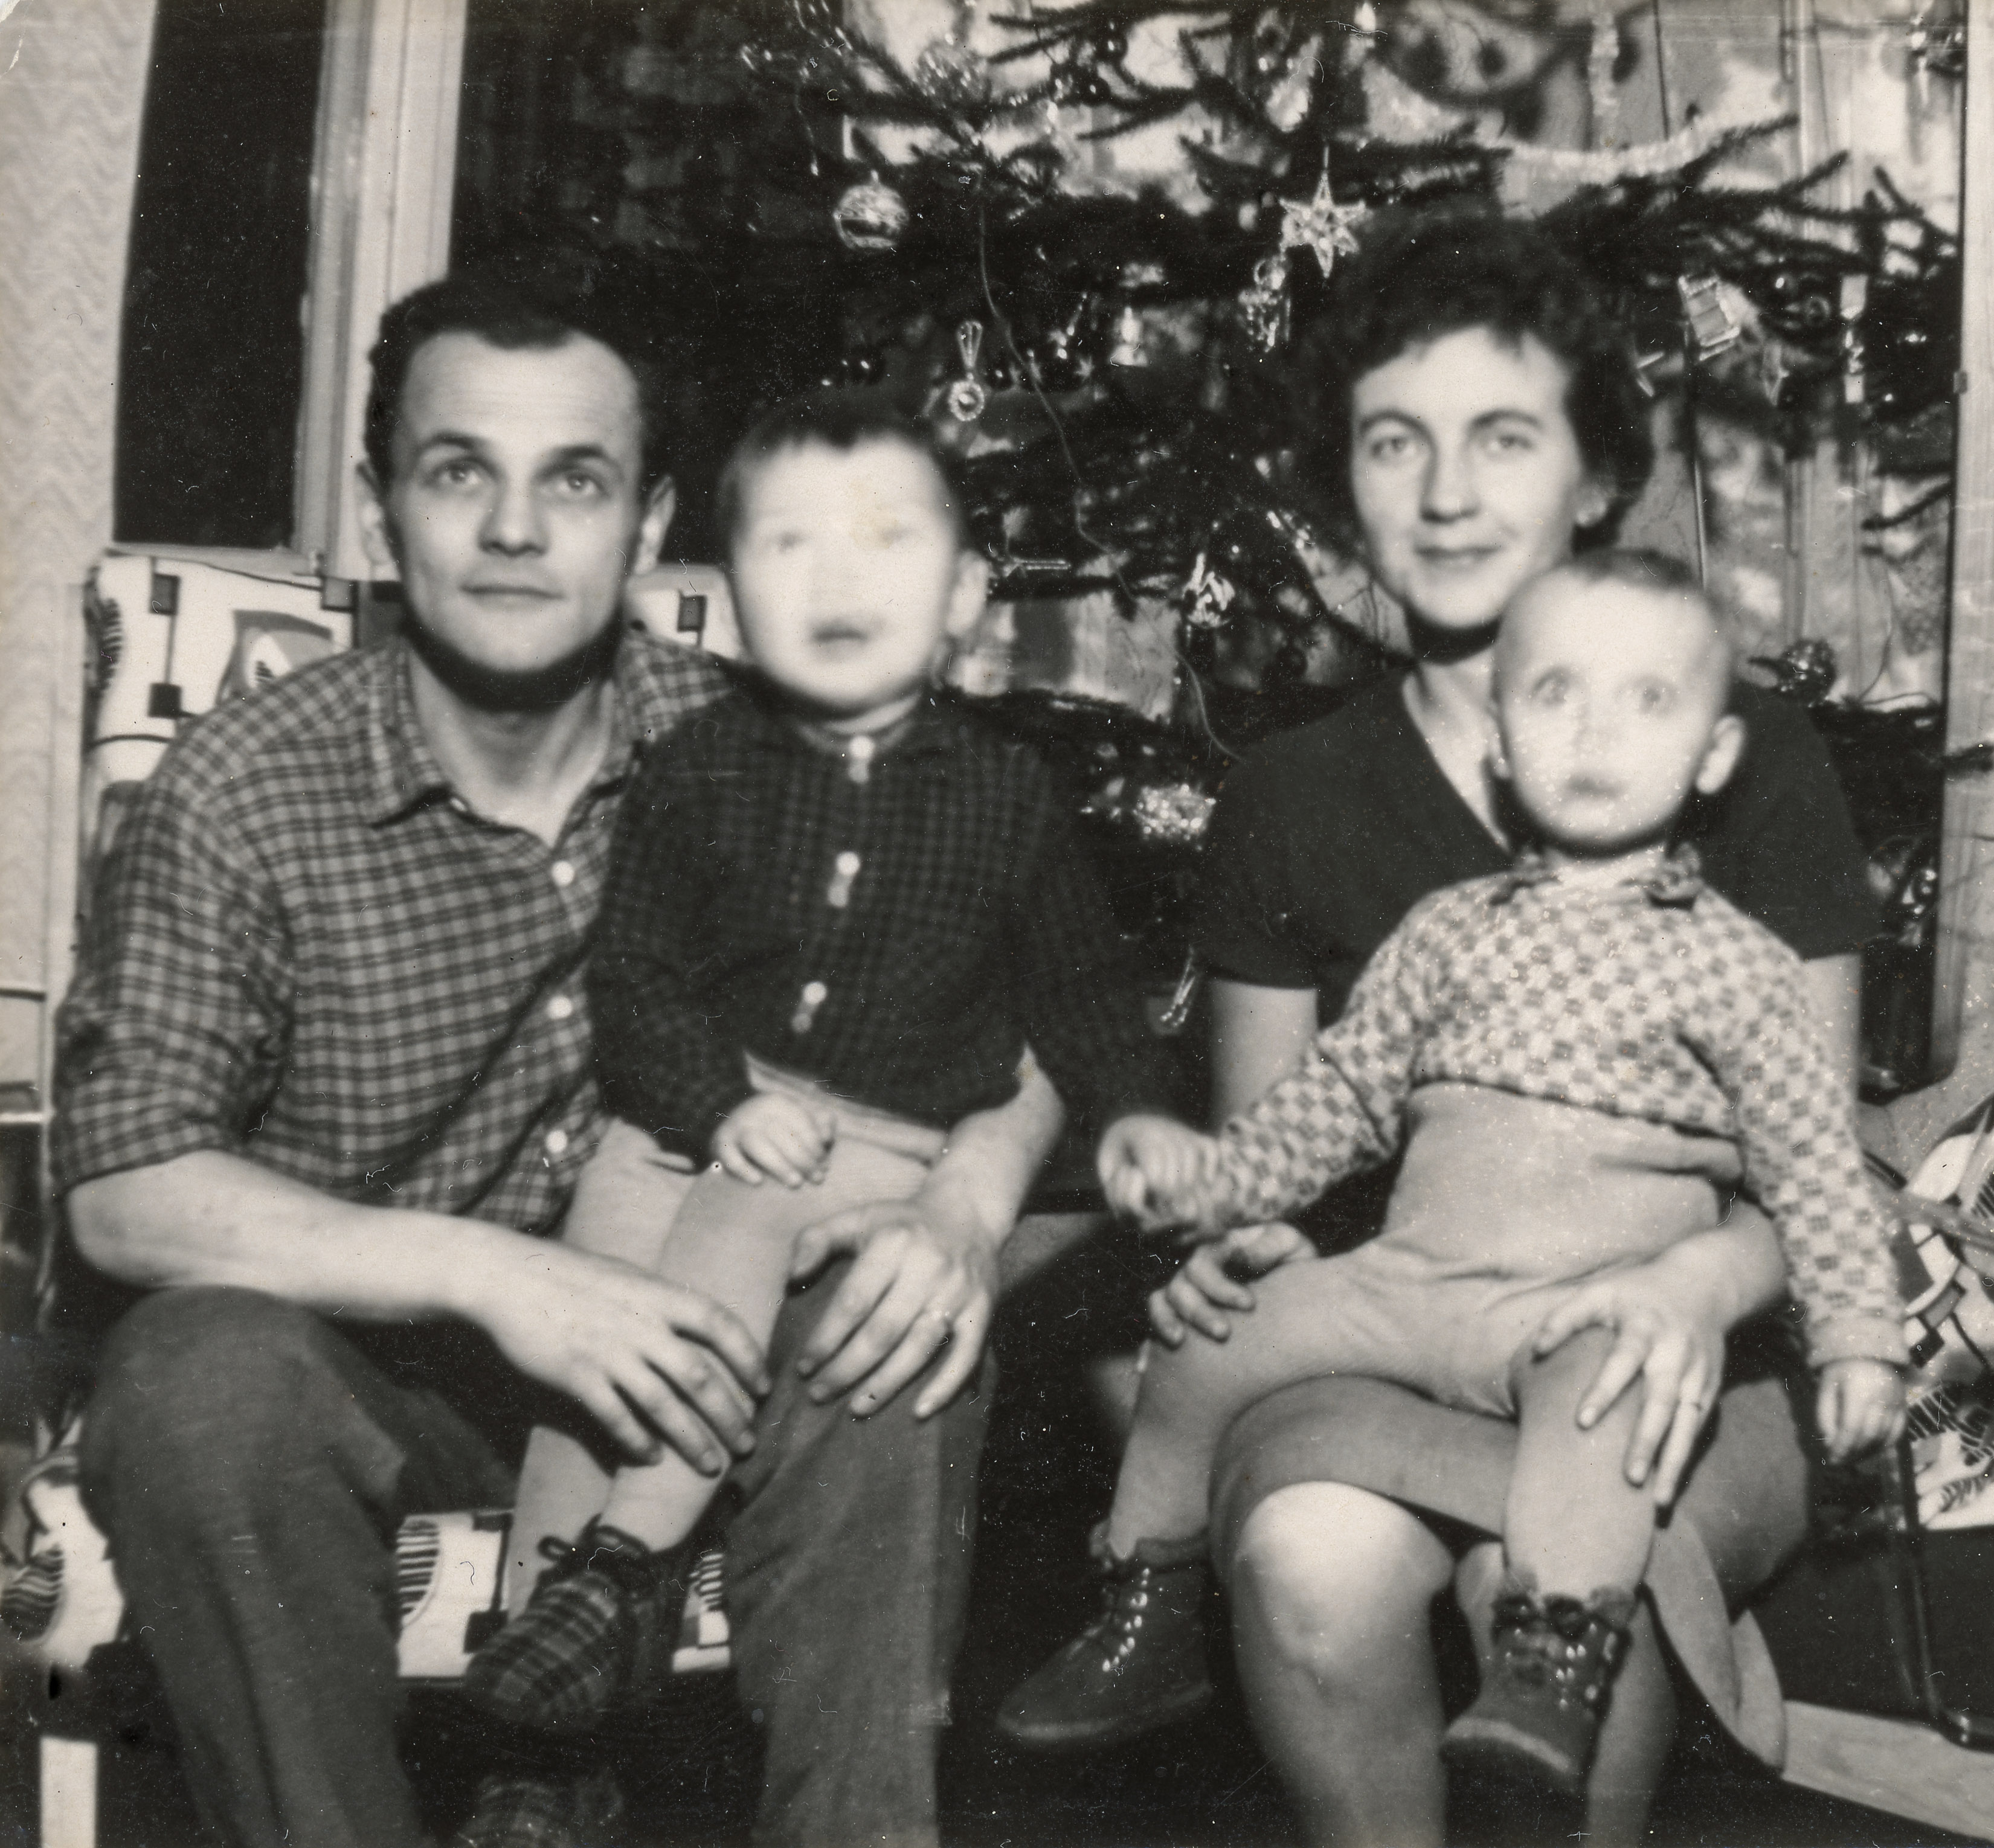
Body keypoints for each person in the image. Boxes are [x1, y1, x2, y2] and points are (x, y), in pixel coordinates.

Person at [51, 258, 1064, 1848]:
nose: (516, 530)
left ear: (647, 527)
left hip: (695, 1355)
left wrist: (966, 1205)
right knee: (197, 1380)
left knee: (890, 1339)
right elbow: (125, 1190)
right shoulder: (243, 790)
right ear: (383, 519)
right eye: (462, 473)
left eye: (574, 481)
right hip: (364, 1377)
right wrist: (496, 1276)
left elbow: (1029, 1007)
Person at [1156, 212, 1879, 1848]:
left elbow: (1816, 1176)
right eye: (1391, 443)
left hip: (1688, 1346)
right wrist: (1231, 1248)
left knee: (1533, 1578)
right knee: (1309, 1559)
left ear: (1596, 475)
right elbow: (1274, 1162)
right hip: (1410, 1320)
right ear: (1342, 492)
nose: (1442, 492)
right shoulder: (1287, 793)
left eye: (1500, 438)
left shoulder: (1749, 756)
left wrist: (1695, 1284)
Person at [1001, 552, 1908, 1795]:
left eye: (1647, 699)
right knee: (1211, 1344)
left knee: (1609, 1410)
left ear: (1710, 758)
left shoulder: (1739, 967)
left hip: (1586, 1304)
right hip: (1413, 1282)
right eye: (1555, 694)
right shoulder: (1445, 932)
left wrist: (1859, 1343)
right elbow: (1337, 1097)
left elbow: (1816, 1167)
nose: (1594, 731)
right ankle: (1152, 1593)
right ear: (1501, 747)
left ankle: (1554, 1652)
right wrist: (1222, 1188)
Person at [465, 391, 1172, 1732]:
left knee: (741, 1216)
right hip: (697, 1114)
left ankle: (628, 1565)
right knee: (594, 1315)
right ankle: (547, 1711)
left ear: (962, 597)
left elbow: (1080, 994)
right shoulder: (698, 769)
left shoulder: (1006, 798)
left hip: (881, 1140)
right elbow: (637, 975)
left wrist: (1136, 1111)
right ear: (733, 603)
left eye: (885, 541)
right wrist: (714, 1100)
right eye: (790, 545)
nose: (838, 580)